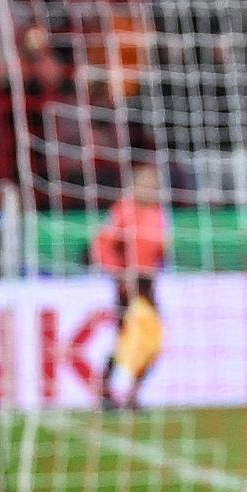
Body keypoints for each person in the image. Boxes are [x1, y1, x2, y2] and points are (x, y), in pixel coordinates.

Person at [92, 158, 169, 408]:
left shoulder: (157, 213)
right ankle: (105, 392)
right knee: (128, 339)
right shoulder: (124, 210)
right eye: (147, 183)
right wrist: (120, 273)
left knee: (152, 341)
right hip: (128, 283)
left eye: (154, 184)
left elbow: (159, 250)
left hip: (148, 283)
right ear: (135, 186)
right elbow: (102, 245)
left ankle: (133, 393)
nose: (152, 188)